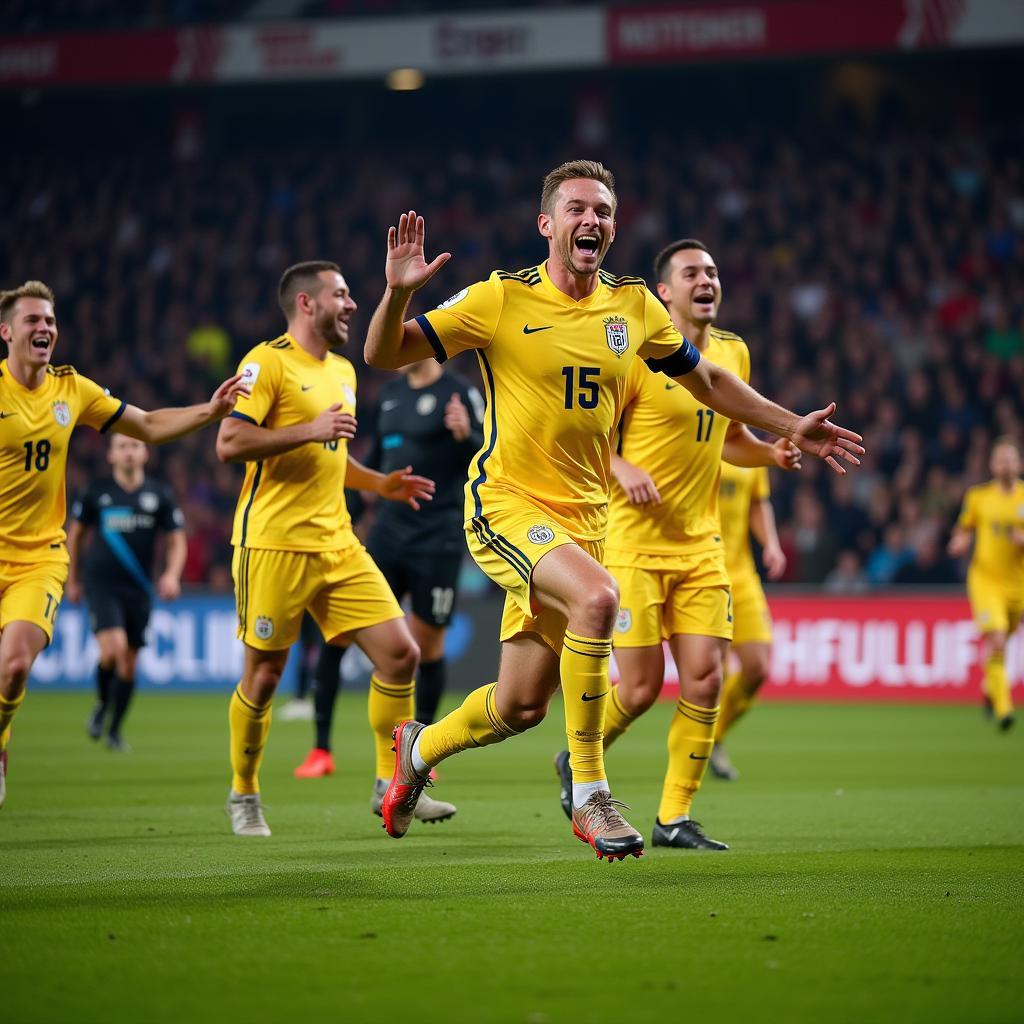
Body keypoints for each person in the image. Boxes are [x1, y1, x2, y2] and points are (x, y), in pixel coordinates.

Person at [364, 160, 863, 860]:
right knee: (599, 599)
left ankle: (416, 752)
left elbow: (711, 381)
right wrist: (394, 295)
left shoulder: (634, 307)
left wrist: (788, 425)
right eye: (575, 208)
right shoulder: (501, 298)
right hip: (507, 503)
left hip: (586, 522)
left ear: (614, 225)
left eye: (602, 209)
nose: (590, 219)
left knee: (520, 707)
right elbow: (384, 350)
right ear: (547, 224)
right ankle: (592, 793)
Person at [553, 238, 800, 850]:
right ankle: (577, 758)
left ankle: (673, 817)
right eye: (692, 273)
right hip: (633, 545)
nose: (706, 280)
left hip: (702, 547)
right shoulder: (638, 353)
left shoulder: (735, 353)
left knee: (707, 680)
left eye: (713, 271)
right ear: (665, 291)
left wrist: (767, 451)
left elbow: (729, 436)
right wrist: (619, 467)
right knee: (638, 688)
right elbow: (589, 436)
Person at [215, 260, 455, 837]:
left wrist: (379, 484)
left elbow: (332, 457)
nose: (351, 304)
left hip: (338, 541)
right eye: (341, 295)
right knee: (266, 676)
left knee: (402, 655)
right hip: (274, 544)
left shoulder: (345, 371)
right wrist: (307, 430)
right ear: (306, 303)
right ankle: (244, 793)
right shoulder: (265, 362)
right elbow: (230, 441)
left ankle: (388, 785)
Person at [0, 280, 248, 809]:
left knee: (15, 666)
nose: (44, 328)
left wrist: (209, 411)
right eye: (31, 321)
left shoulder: (72, 390)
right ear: (6, 332)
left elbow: (150, 425)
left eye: (50, 320)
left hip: (38, 558)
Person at [293, 357, 483, 779]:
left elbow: (491, 456)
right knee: (339, 633)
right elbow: (376, 461)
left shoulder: (460, 393)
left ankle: (422, 752)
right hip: (388, 536)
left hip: (438, 540)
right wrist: (346, 512)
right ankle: (321, 749)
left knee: (428, 646)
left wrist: (466, 434)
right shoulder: (390, 397)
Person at [65, 434, 187, 751]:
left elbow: (176, 540)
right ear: (110, 455)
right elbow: (75, 535)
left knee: (129, 663)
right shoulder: (96, 492)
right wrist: (73, 579)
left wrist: (172, 575)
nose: (128, 453)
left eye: (134, 446)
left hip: (139, 587)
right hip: (101, 584)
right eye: (122, 447)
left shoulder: (159, 495)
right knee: (112, 649)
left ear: (145, 453)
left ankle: (115, 729)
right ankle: (102, 704)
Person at [708, 461, 787, 781]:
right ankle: (696, 747)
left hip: (741, 576)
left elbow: (757, 502)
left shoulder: (752, 449)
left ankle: (713, 736)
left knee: (758, 667)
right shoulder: (694, 432)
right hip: (700, 571)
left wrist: (771, 543)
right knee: (714, 672)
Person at [948, 436, 1024, 730]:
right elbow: (965, 528)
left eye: (1009, 459)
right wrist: (959, 541)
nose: (1004, 464)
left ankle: (988, 688)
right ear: (992, 465)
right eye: (999, 459)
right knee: (996, 638)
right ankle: (1005, 709)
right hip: (985, 579)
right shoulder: (978, 497)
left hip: (1017, 584)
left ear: (1018, 463)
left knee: (1001, 644)